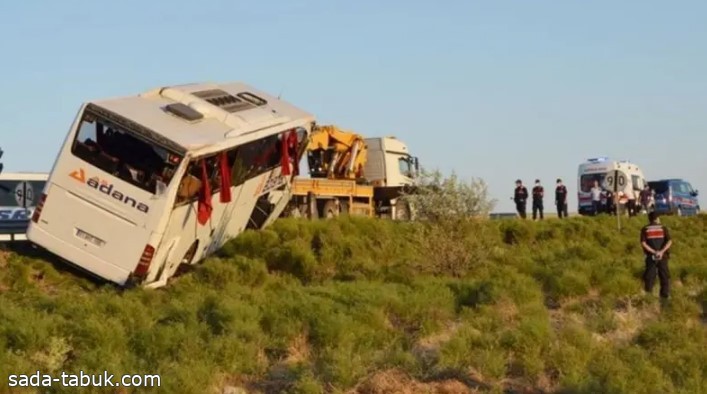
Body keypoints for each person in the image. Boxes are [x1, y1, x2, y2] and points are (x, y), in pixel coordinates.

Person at [640, 211, 673, 299]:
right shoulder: (663, 228)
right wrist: (661, 252)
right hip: (663, 256)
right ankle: (665, 294)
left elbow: (643, 243)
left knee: (650, 275)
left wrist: (653, 252)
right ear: (657, 218)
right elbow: (669, 241)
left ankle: (649, 295)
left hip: (650, 256)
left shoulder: (645, 229)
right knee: (664, 275)